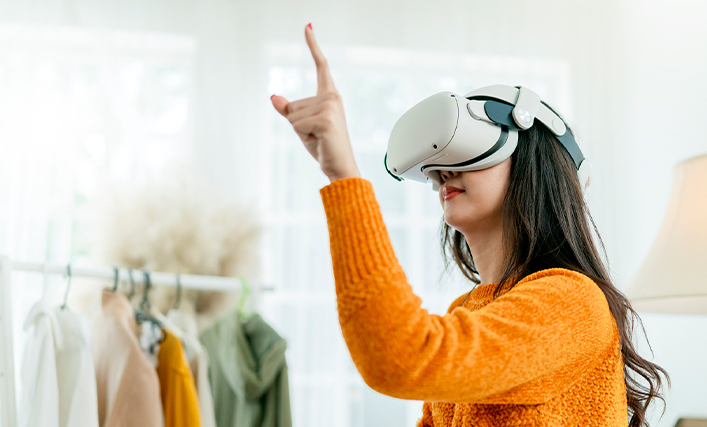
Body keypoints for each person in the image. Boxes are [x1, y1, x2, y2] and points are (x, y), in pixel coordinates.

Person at [269, 23, 668, 427]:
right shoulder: (468, 310)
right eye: (438, 164)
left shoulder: (572, 302)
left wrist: (344, 177)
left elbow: (400, 358)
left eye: (469, 153)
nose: (442, 172)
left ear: (533, 163)